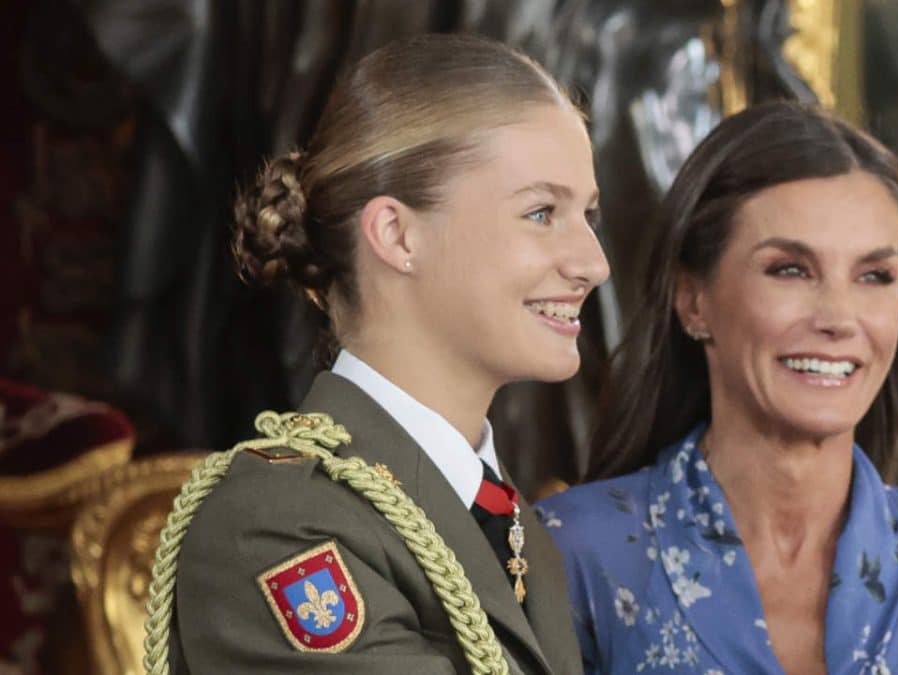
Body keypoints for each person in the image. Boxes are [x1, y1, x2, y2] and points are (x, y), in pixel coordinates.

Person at [149, 34, 607, 675]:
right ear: (397, 234)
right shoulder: (281, 524)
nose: (594, 263)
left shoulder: (514, 528)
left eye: (588, 215)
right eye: (540, 212)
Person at [537, 101, 898, 674]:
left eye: (874, 276)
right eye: (790, 269)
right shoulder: (573, 552)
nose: (839, 318)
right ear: (693, 299)